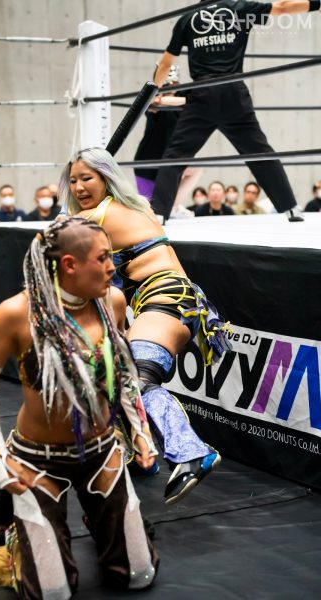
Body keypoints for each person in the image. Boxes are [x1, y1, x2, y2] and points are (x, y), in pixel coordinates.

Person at [0, 217, 158, 598]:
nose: (113, 267)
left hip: (102, 451)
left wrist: (140, 432)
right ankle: (14, 535)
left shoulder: (112, 302)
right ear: (70, 264)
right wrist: (1, 458)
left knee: (138, 575)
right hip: (35, 459)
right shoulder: (16, 313)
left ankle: (100, 516)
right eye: (103, 258)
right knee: (52, 593)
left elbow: (123, 372)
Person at [59, 147, 231, 505]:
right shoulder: (137, 206)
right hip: (174, 301)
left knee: (135, 380)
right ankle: (142, 455)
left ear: (106, 178)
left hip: (167, 298)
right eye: (72, 180)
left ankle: (192, 453)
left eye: (87, 178)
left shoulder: (93, 218)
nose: (78, 187)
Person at [149, 0, 320, 223]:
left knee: (175, 155)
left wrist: (153, 93)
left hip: (203, 94)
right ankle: (291, 208)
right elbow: (283, 7)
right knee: (259, 152)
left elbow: (165, 63)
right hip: (234, 94)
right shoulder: (239, 8)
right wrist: (317, 4)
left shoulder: (187, 18)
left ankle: (159, 213)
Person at [134, 64, 203, 214]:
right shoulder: (153, 100)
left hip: (170, 162)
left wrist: (171, 99)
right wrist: (163, 99)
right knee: (150, 211)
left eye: (174, 84)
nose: (172, 87)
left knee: (196, 168)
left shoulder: (180, 96)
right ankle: (170, 208)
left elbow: (196, 99)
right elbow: (152, 102)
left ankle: (173, 207)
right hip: (148, 162)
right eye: (168, 84)